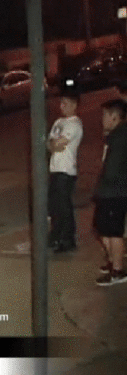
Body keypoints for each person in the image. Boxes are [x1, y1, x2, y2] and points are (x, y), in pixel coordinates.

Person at [94, 99, 127, 286]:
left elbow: (112, 168)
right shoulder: (115, 135)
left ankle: (118, 270)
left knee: (113, 232)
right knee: (103, 229)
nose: (102, 119)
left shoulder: (120, 137)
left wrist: (104, 183)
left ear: (114, 117)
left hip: (115, 192)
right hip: (110, 191)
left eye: (105, 115)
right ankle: (113, 262)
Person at [46, 92, 83, 253]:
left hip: (66, 170)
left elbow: (58, 144)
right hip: (55, 168)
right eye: (61, 103)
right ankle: (56, 235)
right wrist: (53, 144)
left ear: (74, 105)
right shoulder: (58, 122)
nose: (62, 107)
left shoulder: (74, 124)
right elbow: (50, 144)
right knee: (54, 206)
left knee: (63, 207)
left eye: (66, 103)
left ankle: (67, 238)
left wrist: (53, 144)